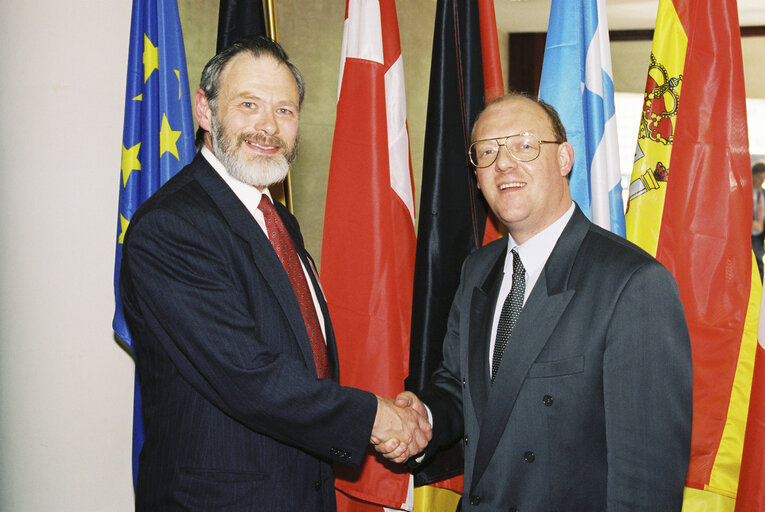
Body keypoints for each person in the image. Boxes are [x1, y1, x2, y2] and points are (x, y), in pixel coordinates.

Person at [119, 35, 430, 511]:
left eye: (285, 110)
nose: (268, 127)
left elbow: (303, 356)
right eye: (249, 104)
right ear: (204, 111)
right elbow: (246, 373)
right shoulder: (172, 226)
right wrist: (374, 418)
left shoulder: (276, 218)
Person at [386, 93, 693, 510]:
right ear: (476, 176)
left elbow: (646, 480)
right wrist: (424, 415)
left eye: (525, 145)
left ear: (564, 159)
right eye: (487, 152)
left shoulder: (633, 284)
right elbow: (464, 389)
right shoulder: (477, 270)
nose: (504, 164)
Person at [752, 161, 765, 280]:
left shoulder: (763, 194)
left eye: (763, 178)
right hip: (746, 235)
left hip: (759, 237)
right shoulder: (744, 193)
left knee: (759, 264)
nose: (761, 181)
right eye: (759, 178)